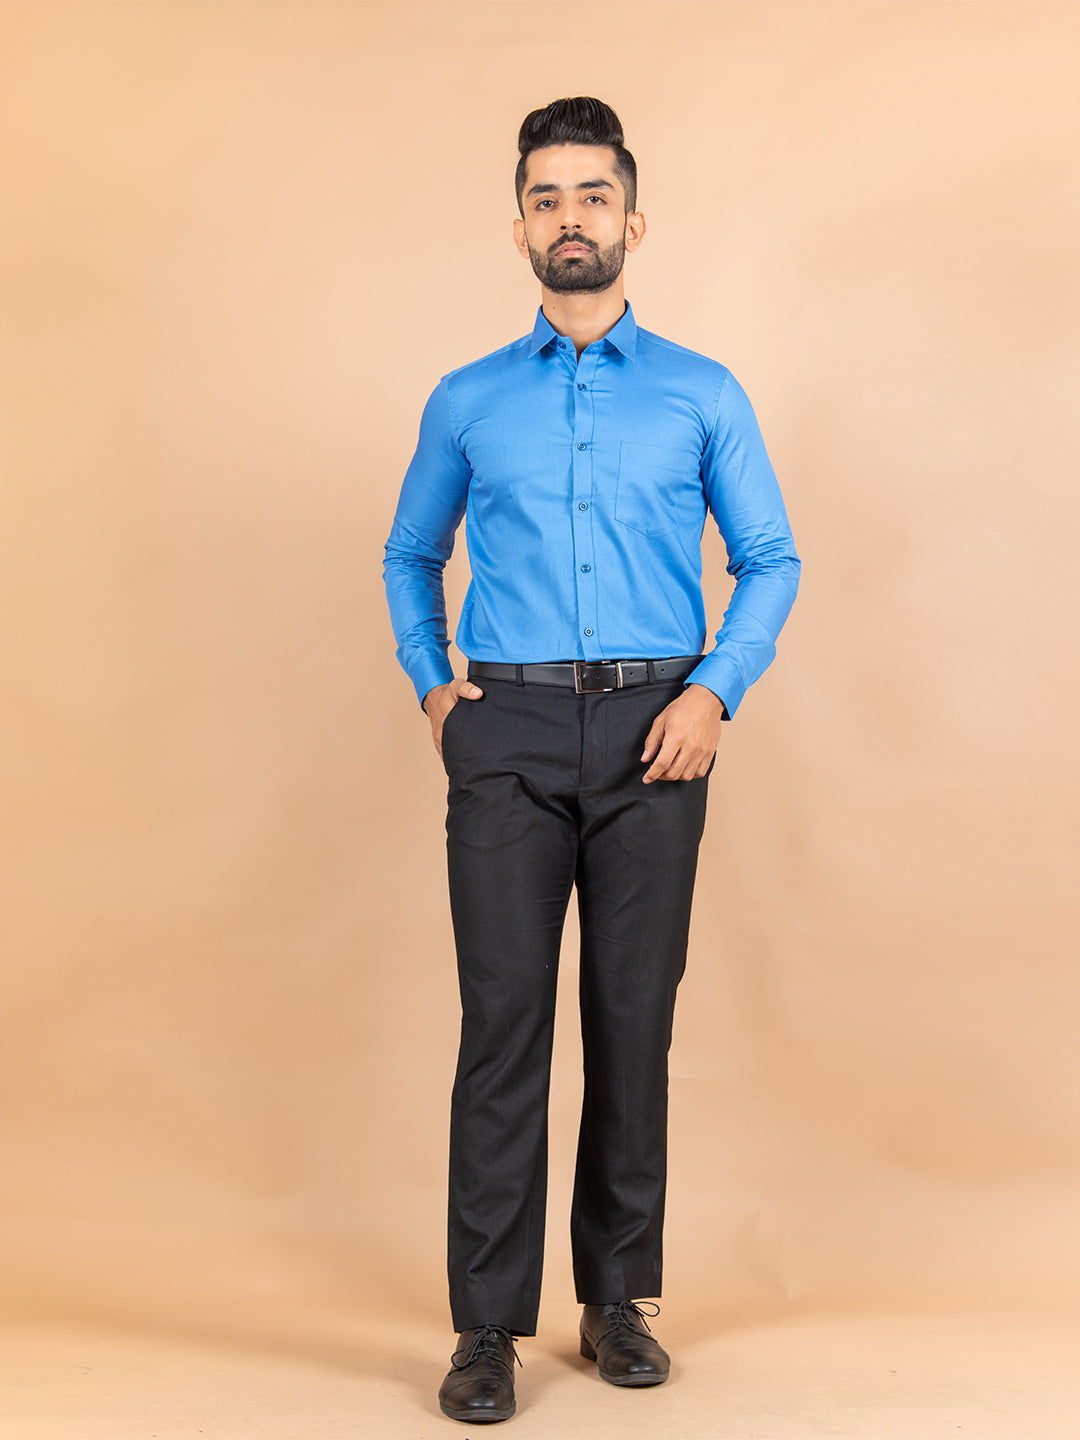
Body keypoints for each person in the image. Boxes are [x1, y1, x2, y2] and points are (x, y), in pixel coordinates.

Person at [383, 95, 800, 1425]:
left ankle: (620, 1299)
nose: (572, 218)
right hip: (503, 731)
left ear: (635, 220)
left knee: (632, 1018)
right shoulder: (467, 398)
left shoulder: (702, 392)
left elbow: (771, 557)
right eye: (547, 199)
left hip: (654, 733)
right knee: (502, 1023)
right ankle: (486, 1326)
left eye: (593, 195)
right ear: (521, 228)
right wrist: (434, 686)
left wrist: (715, 692)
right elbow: (410, 552)